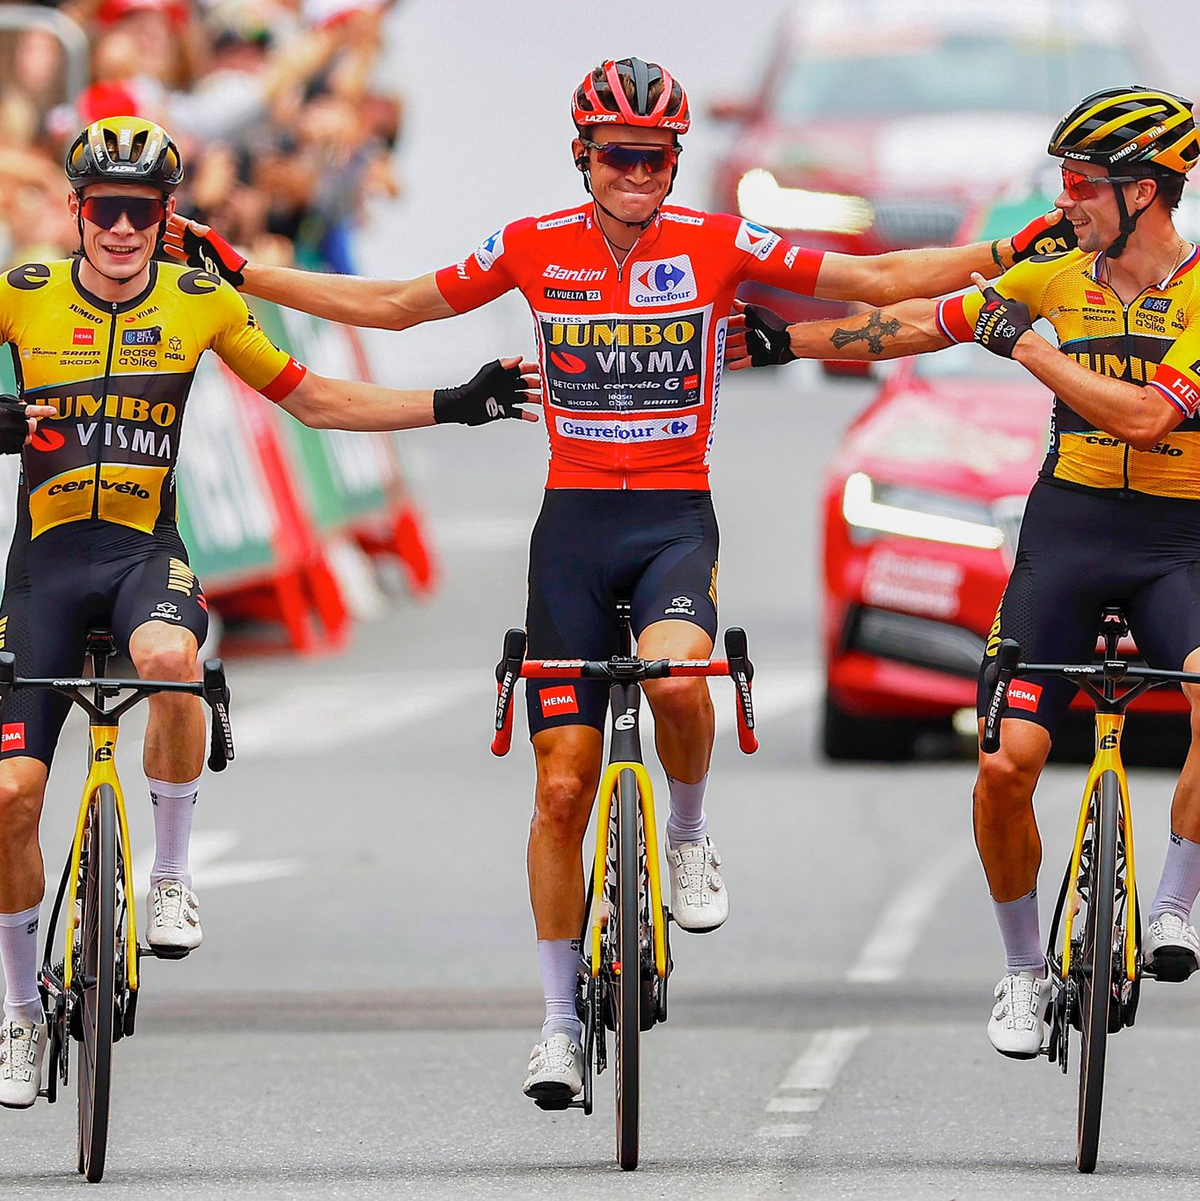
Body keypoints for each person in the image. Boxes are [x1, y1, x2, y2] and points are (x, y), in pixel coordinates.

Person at [165, 57, 1076, 1103]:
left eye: (656, 157)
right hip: (574, 530)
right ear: (584, 158)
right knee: (561, 791)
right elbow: (396, 303)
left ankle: (687, 838)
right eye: (619, 156)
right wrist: (245, 271)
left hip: (672, 524)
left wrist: (1005, 252)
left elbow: (870, 283)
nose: (638, 174)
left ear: (677, 160)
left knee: (680, 679)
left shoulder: (716, 242)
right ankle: (556, 1023)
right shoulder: (534, 244)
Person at [0, 115, 537, 1110]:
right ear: (76, 213)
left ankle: (169, 872)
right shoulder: (21, 296)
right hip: (41, 568)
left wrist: (454, 403)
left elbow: (318, 400)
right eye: (104, 210)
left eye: (142, 212)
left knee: (168, 658)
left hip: (141, 557)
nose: (122, 229)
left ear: (167, 218)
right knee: (10, 799)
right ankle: (21, 1014)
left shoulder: (199, 301)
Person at [737, 86, 1200, 1059]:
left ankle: (1174, 908)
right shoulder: (1054, 276)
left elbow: (1151, 417)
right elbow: (916, 326)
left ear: (1146, 191)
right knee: (1002, 767)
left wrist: (1029, 352)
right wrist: (785, 342)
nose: (1066, 199)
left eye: (1082, 182)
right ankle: (1024, 972)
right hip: (1068, 534)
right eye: (1064, 180)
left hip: (1179, 540)